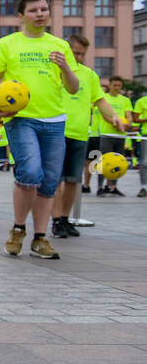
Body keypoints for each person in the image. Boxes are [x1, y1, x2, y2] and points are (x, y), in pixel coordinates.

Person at [0, 0, 79, 260]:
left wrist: (66, 68)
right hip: (21, 119)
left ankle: (40, 238)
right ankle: (18, 228)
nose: (41, 14)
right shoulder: (7, 44)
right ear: (21, 16)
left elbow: (73, 88)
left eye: (45, 9)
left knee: (49, 182)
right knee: (30, 173)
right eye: (34, 10)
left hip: (54, 121)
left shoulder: (60, 45)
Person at [51, 34, 125, 238]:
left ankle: (66, 219)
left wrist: (115, 117)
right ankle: (56, 220)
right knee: (56, 180)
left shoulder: (89, 75)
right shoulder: (54, 70)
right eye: (76, 53)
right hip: (56, 131)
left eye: (82, 54)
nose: (79, 57)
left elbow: (100, 101)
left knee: (73, 180)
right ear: (67, 50)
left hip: (80, 134)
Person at [94, 75, 132, 196]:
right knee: (103, 161)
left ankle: (113, 186)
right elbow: (105, 115)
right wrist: (116, 124)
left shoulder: (125, 100)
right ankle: (100, 186)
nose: (117, 88)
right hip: (107, 134)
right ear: (109, 85)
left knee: (118, 161)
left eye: (119, 86)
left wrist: (127, 125)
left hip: (120, 135)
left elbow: (129, 115)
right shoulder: (104, 98)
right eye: (114, 85)